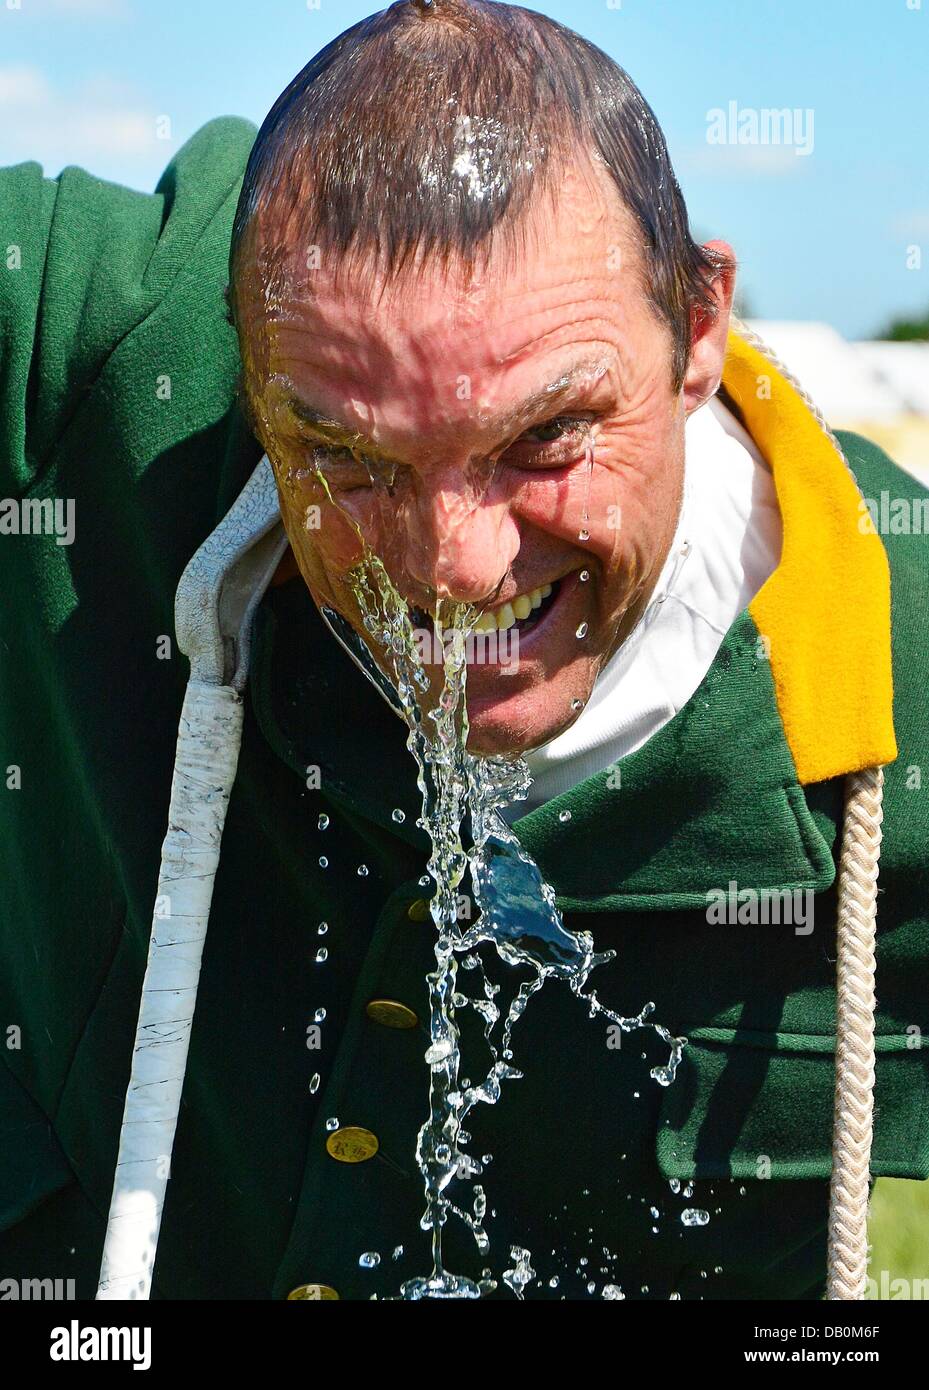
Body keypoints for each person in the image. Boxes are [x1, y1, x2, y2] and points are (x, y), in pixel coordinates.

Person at [1, 0, 926, 1302]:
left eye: (546, 439)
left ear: (701, 328)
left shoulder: (908, 665)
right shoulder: (105, 345)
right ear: (242, 355)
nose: (454, 569)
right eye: (346, 454)